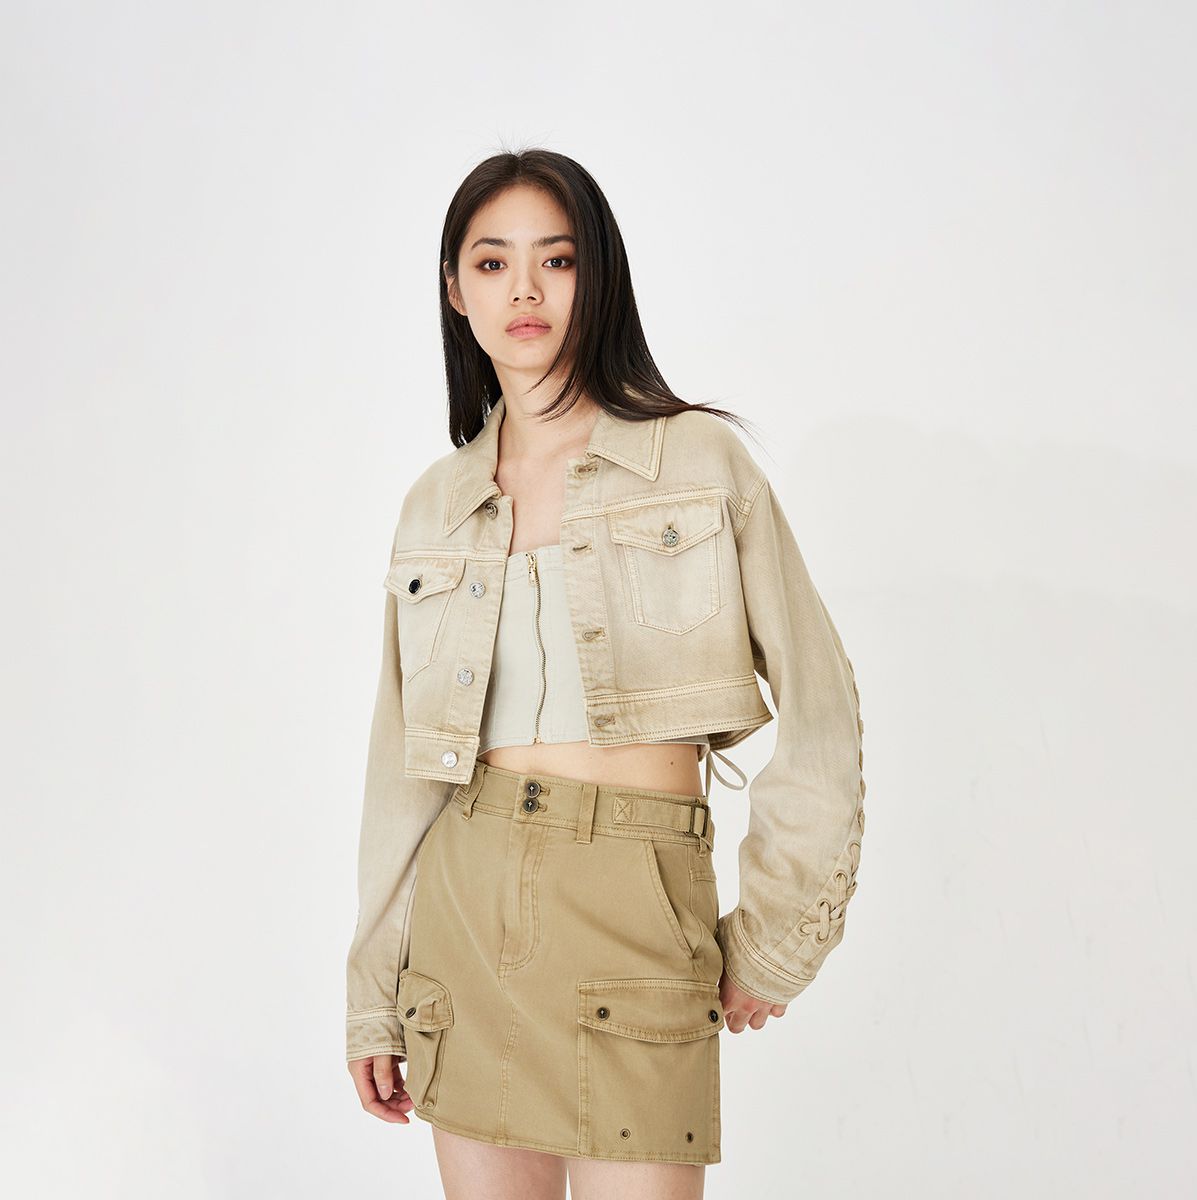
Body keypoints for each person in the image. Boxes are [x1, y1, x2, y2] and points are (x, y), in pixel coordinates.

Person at [345, 148, 867, 1200]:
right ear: (455, 291)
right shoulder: (435, 505)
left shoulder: (698, 461)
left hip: (637, 912)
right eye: (492, 263)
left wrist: (778, 931)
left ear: (599, 278)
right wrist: (371, 989)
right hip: (463, 919)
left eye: (557, 260)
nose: (524, 292)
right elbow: (404, 773)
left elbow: (823, 705)